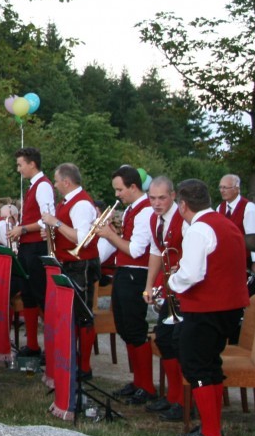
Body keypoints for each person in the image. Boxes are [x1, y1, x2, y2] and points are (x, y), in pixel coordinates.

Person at [167, 178, 250, 436]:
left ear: (182, 205)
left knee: (196, 366)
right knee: (211, 366)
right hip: (229, 307)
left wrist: (171, 282)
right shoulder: (226, 224)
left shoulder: (199, 229)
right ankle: (210, 426)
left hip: (206, 308)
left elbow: (192, 274)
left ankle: (211, 435)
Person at [97, 165, 157, 405]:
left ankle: (146, 386)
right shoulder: (133, 209)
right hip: (125, 272)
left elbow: (135, 250)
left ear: (133, 187)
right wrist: (112, 232)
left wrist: (110, 235)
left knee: (135, 329)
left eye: (120, 189)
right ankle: (138, 381)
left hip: (136, 273)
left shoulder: (145, 211)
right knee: (125, 327)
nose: (117, 195)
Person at [40, 163, 99, 381]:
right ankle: (72, 360)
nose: (55, 185)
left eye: (56, 181)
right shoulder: (68, 202)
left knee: (83, 314)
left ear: (66, 182)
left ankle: (84, 367)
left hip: (81, 264)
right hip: (69, 262)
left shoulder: (81, 204)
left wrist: (56, 223)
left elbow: (82, 239)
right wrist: (53, 232)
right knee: (71, 314)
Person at [141, 176, 186, 421]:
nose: (156, 203)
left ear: (173, 196)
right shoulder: (154, 218)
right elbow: (156, 251)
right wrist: (149, 285)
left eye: (162, 198)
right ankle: (173, 396)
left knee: (178, 342)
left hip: (184, 289)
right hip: (168, 288)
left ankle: (183, 400)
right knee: (164, 339)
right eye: (152, 198)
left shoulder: (183, 218)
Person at [5, 147, 54, 360]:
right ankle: (33, 345)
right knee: (28, 295)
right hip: (28, 247)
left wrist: (23, 229)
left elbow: (48, 218)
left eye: (20, 164)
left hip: (36, 248)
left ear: (32, 164)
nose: (19, 169)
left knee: (40, 295)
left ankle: (52, 347)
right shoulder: (34, 186)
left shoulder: (43, 186)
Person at [216, 174, 255, 293]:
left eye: (225, 187)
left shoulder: (248, 207)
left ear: (237, 189)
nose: (222, 190)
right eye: (220, 187)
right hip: (227, 261)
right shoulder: (219, 208)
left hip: (245, 260)